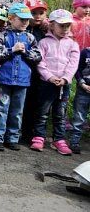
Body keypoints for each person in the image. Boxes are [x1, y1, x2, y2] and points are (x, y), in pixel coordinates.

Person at [0, 3, 41, 151]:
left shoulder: (30, 38)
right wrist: (12, 49)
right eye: (21, 19)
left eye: (27, 20)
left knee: (17, 111)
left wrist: (25, 52)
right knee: (1, 108)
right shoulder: (2, 35)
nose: (25, 22)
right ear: (11, 18)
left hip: (22, 81)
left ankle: (12, 138)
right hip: (4, 79)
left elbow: (37, 57)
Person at [32, 9, 80, 155]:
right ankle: (39, 136)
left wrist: (65, 78)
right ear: (52, 25)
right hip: (47, 83)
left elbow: (73, 64)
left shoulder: (72, 44)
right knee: (42, 111)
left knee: (60, 113)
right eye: (61, 26)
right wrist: (49, 77)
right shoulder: (44, 43)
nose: (65, 29)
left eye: (67, 26)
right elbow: (40, 62)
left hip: (63, 85)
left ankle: (59, 139)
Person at [21, 0, 49, 142]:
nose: (37, 16)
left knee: (38, 103)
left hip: (41, 74)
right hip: (25, 71)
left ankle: (35, 132)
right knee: (25, 102)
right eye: (34, 13)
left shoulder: (47, 31)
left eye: (41, 13)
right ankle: (24, 131)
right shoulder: (23, 29)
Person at [72, 46, 90, 154]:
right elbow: (77, 69)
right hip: (84, 89)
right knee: (79, 116)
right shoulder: (85, 52)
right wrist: (82, 83)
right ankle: (75, 141)